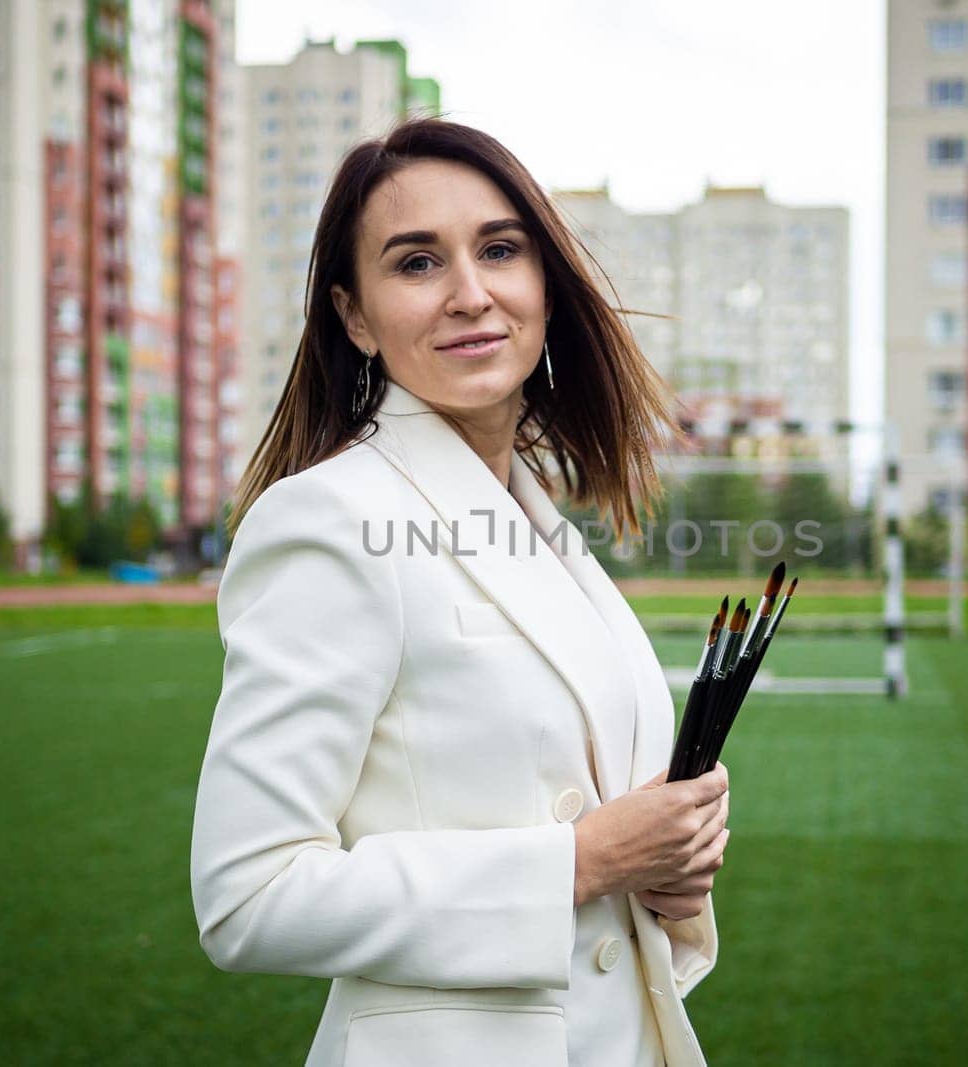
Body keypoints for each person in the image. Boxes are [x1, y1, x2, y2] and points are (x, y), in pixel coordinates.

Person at [189, 118, 730, 1067]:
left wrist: (668, 872)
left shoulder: (535, 519)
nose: (470, 293)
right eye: (416, 263)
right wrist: (586, 859)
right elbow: (247, 899)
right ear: (355, 317)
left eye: (500, 249)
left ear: (544, 285)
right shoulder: (327, 520)